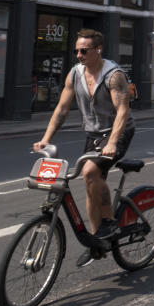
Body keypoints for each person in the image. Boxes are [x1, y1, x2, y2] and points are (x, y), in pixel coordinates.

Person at [33, 29, 135, 267]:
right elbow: (61, 109)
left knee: (90, 172)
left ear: (98, 50)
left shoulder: (114, 75)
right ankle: (96, 239)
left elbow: (122, 111)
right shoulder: (75, 74)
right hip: (94, 133)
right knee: (89, 181)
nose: (78, 55)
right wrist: (46, 138)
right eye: (76, 50)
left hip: (117, 132)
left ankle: (108, 221)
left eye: (83, 51)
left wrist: (112, 142)